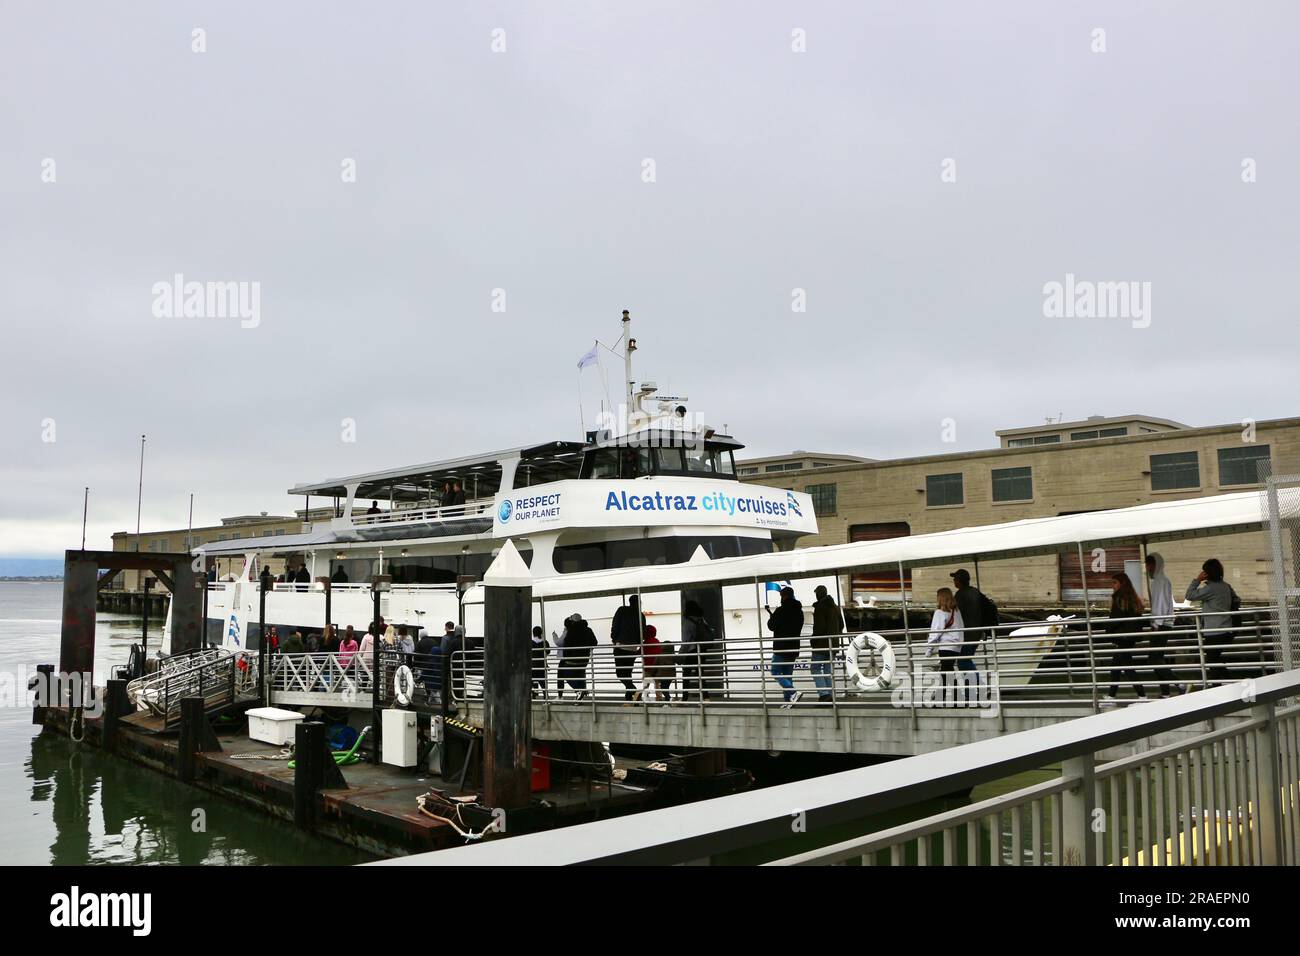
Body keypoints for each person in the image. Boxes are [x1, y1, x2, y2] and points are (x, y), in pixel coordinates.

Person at [1185, 558, 1236, 684]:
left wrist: (1197, 580)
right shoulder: (1226, 586)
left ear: (1207, 573)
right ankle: (1223, 683)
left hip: (1214, 631)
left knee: (1212, 659)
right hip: (1227, 628)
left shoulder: (1210, 589)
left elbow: (1189, 595)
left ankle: (1221, 684)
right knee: (1214, 658)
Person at [1105, 572, 1147, 701]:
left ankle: (1142, 696)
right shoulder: (1131, 598)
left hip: (1123, 637)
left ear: (1122, 584)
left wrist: (1107, 630)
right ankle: (1112, 696)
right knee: (1116, 666)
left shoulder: (1120, 598)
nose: (1113, 586)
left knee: (1126, 666)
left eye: (1115, 583)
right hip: (1129, 637)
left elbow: (1115, 619)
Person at [925, 588, 968, 705]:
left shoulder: (940, 612)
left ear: (940, 598)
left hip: (946, 647)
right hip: (956, 646)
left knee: (946, 672)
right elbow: (961, 628)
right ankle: (950, 698)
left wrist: (929, 649)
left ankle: (948, 699)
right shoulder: (956, 611)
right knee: (947, 671)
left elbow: (935, 631)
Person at [765, 587, 804, 706]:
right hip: (793, 648)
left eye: (781, 596)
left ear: (784, 596)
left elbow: (771, 626)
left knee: (775, 671)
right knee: (787, 676)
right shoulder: (799, 611)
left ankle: (793, 692)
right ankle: (789, 702)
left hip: (781, 647)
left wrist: (772, 616)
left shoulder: (781, 610)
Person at [949, 569, 987, 688]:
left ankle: (979, 687)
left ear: (959, 581)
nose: (954, 581)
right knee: (965, 660)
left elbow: (954, 613)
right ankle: (975, 688)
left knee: (963, 661)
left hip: (966, 635)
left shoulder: (960, 594)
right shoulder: (976, 592)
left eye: (955, 579)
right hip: (977, 633)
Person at [1145, 552, 1176, 696]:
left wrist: (1156, 624)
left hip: (1161, 623)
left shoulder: (1161, 581)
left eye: (1150, 564)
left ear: (1156, 565)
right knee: (1157, 658)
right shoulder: (1158, 580)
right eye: (1147, 564)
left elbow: (1161, 604)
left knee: (1154, 658)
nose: (1148, 567)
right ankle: (1166, 692)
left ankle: (1179, 684)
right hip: (1161, 622)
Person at [810, 584, 844, 705]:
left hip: (821, 644)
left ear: (819, 594)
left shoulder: (820, 607)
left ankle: (824, 695)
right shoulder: (835, 607)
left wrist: (813, 640)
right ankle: (831, 694)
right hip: (833, 644)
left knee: (815, 668)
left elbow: (820, 627)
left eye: (816, 593)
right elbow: (841, 625)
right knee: (828, 669)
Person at [610, 595, 646, 701]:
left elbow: (615, 625)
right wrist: (638, 643)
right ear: (639, 602)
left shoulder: (622, 610)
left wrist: (614, 639)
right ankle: (629, 695)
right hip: (633, 648)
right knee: (628, 673)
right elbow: (643, 632)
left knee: (620, 674)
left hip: (621, 646)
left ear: (629, 602)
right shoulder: (641, 615)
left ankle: (634, 691)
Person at [558, 613, 597, 698]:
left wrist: (566, 658)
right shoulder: (588, 630)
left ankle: (579, 690)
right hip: (585, 659)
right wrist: (586, 650)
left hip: (573, 659)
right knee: (580, 674)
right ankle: (580, 695)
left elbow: (566, 646)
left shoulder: (571, 631)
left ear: (572, 621)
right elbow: (594, 643)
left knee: (566, 674)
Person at [639, 624, 675, 701]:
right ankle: (659, 698)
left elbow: (640, 652)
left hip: (648, 667)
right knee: (657, 684)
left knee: (646, 684)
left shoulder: (645, 643)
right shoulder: (657, 641)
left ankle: (642, 697)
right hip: (658, 667)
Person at [415, 627, 440, 696]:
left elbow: (416, 655)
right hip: (434, 664)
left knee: (425, 679)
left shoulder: (419, 643)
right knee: (433, 679)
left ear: (421, 635)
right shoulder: (434, 641)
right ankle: (433, 695)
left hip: (424, 664)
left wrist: (416, 665)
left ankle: (428, 694)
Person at [531, 626, 548, 696]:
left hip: (533, 665)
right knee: (542, 681)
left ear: (533, 633)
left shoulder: (531, 642)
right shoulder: (545, 642)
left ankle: (535, 693)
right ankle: (545, 695)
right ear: (541, 633)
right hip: (541, 664)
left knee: (532, 679)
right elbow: (548, 652)